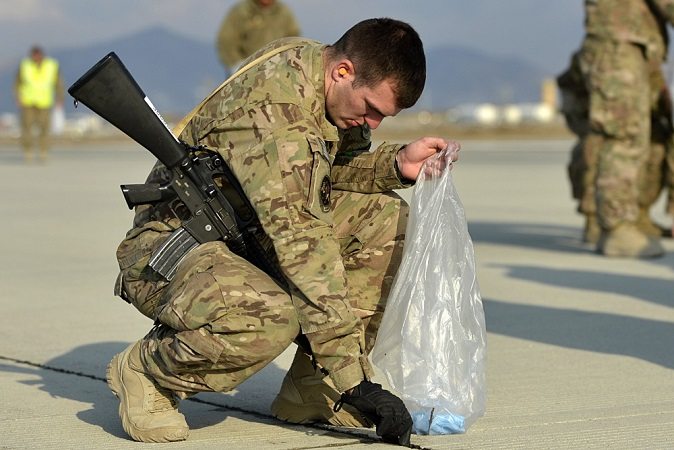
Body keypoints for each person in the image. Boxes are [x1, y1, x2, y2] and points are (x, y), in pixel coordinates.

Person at [108, 18, 459, 445]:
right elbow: (305, 248)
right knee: (271, 316)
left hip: (240, 234)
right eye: (370, 108)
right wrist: (357, 381)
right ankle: (149, 372)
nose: (372, 123)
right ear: (343, 71)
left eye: (383, 116)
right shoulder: (279, 117)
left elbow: (325, 174)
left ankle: (311, 388)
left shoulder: (313, 68)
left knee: (386, 219)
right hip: (169, 250)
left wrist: (394, 164)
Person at [571, 0, 674, 258]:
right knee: (624, 136)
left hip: (630, 44)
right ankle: (617, 227)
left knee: (642, 136)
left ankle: (629, 218)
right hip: (620, 45)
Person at [558, 48, 674, 245]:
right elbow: (569, 92)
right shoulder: (601, 57)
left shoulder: (651, 64)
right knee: (599, 146)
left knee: (655, 146)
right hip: (597, 125)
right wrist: (590, 122)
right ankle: (596, 218)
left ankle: (639, 215)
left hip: (636, 123)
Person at [215, 0, 300, 72]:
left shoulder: (284, 13)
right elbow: (226, 41)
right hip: (246, 71)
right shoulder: (241, 11)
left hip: (276, 71)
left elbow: (293, 41)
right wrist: (236, 65)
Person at [13, 45, 64, 163]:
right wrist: (17, 97)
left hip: (45, 102)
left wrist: (60, 97)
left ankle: (43, 151)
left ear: (41, 55)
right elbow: (17, 83)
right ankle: (28, 151)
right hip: (28, 102)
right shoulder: (25, 65)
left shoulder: (51, 65)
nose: (35, 57)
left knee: (45, 128)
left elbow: (58, 83)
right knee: (27, 128)